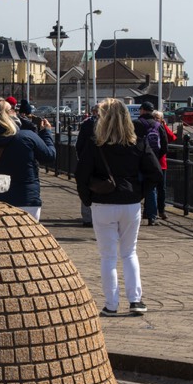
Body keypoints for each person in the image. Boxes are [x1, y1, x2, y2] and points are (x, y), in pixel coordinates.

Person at [76, 98, 162, 317]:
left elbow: (81, 175)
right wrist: (140, 192)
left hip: (103, 203)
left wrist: (88, 199)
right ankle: (136, 300)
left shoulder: (95, 145)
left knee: (108, 256)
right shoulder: (138, 143)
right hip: (130, 203)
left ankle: (111, 304)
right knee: (129, 252)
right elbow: (155, 173)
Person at [0, 98, 55, 221]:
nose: (16, 111)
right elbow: (49, 156)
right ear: (6, 115)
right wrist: (46, 133)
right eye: (12, 109)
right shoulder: (27, 136)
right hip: (26, 198)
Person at [75, 109, 98, 227]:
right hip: (100, 162)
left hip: (86, 160)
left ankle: (87, 217)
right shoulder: (107, 124)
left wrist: (81, 157)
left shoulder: (86, 124)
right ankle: (95, 216)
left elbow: (79, 143)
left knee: (86, 186)